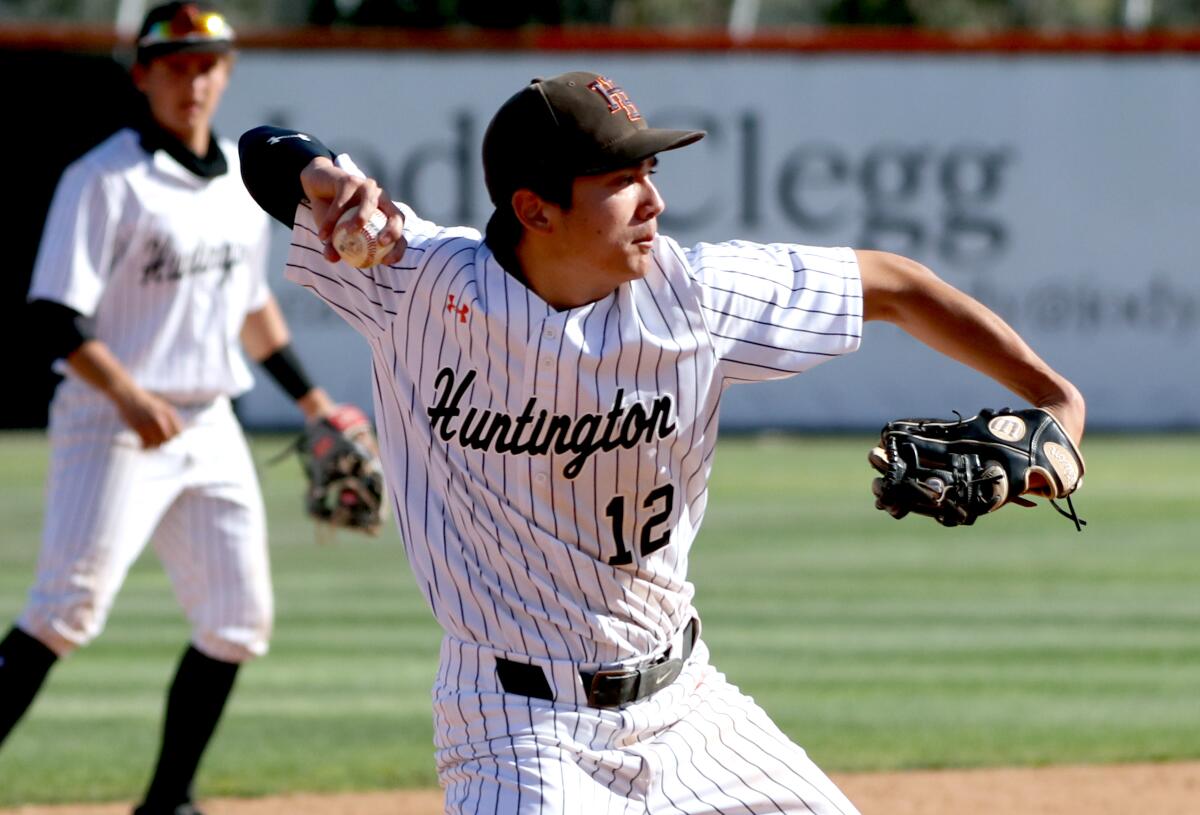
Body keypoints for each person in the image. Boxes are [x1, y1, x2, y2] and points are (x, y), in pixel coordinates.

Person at [238, 71, 1086, 814]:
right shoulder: (416, 282)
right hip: (517, 726)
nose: (654, 200)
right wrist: (317, 171)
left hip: (689, 706)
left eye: (651, 171)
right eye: (621, 178)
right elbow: (261, 151)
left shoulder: (697, 297)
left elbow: (896, 286)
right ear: (534, 207)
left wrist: (1056, 399)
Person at [0, 5, 341, 814]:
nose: (194, 80)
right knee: (65, 610)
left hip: (208, 420)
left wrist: (313, 400)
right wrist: (127, 394)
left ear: (225, 74)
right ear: (143, 75)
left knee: (237, 618)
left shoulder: (234, 176)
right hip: (110, 417)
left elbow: (249, 306)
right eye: (177, 65)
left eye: (207, 65)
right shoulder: (104, 179)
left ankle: (167, 801)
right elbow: (52, 314)